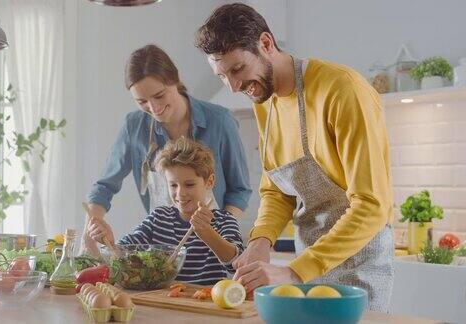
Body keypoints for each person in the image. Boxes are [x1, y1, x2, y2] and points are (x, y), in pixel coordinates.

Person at [195, 3, 394, 312]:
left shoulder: (342, 90)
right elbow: (277, 189)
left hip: (358, 266)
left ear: (265, 43)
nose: (234, 87)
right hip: (307, 266)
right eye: (222, 76)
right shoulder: (265, 101)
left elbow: (372, 205)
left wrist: (291, 271)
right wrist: (261, 241)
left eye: (237, 70)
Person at [84, 44, 252, 247]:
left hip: (213, 244)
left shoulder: (220, 121)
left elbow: (239, 190)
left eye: (159, 95)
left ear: (175, 81)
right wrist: (92, 231)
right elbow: (104, 187)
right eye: (142, 101)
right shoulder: (134, 127)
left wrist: (219, 232)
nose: (153, 108)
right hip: (161, 249)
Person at [85, 137, 245, 285]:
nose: (180, 193)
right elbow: (123, 254)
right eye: (173, 185)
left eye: (189, 185)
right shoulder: (159, 218)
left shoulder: (224, 220)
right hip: (164, 303)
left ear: (209, 182)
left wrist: (207, 234)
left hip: (207, 305)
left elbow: (236, 263)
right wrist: (110, 242)